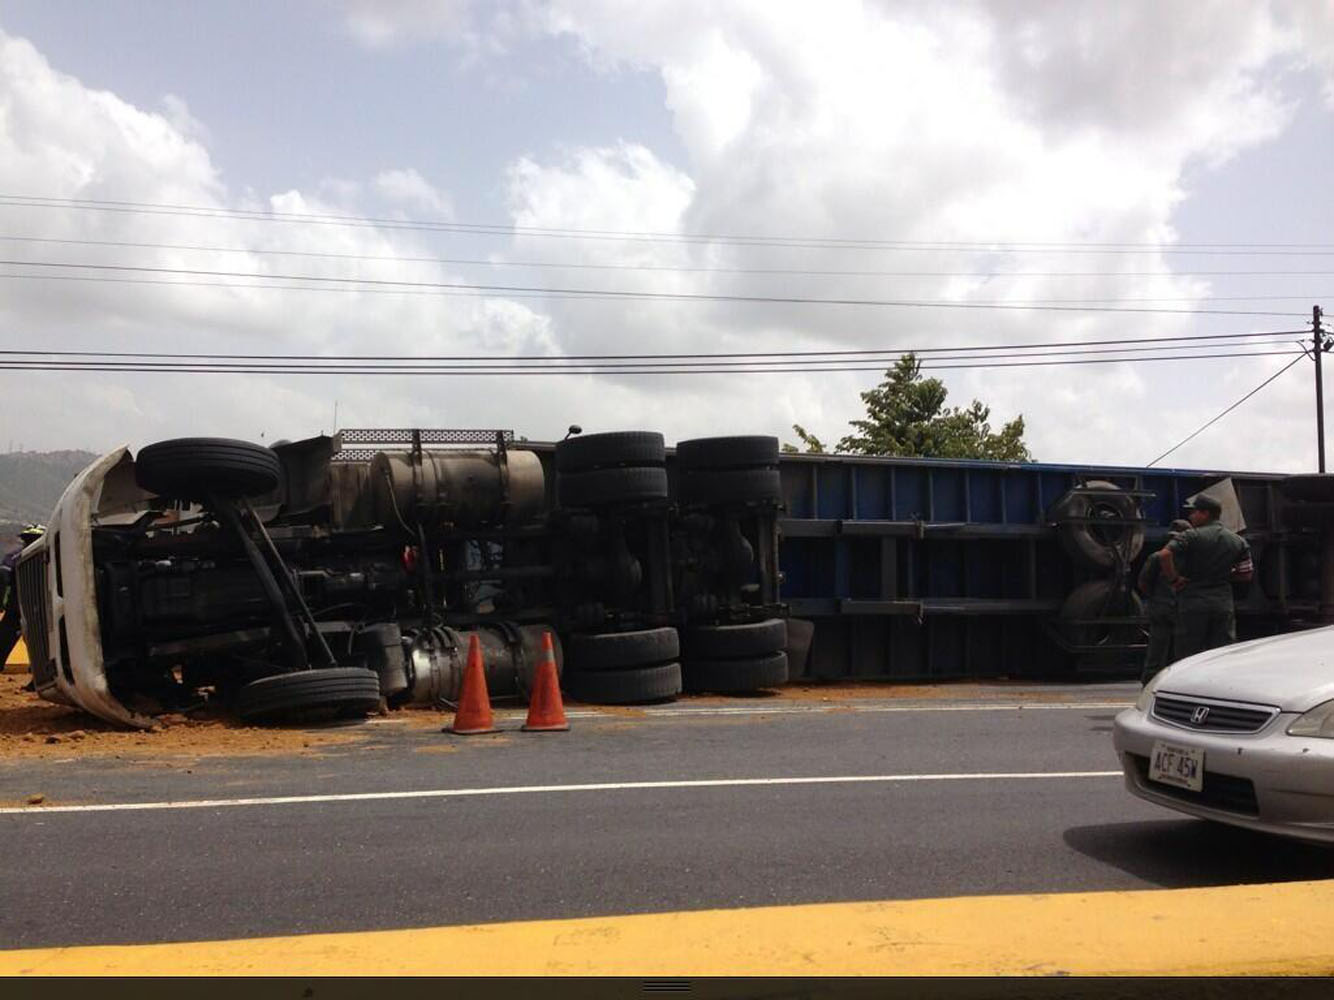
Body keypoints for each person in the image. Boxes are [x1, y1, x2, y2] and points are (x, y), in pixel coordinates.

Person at [1158, 496, 1253, 663]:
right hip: (1222, 603)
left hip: (1193, 602)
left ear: (1205, 513)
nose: (1191, 516)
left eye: (1194, 512)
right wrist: (1225, 576)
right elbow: (1246, 574)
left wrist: (1174, 579)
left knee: (1187, 655)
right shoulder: (1237, 540)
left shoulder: (1190, 536)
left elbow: (1165, 554)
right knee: (1221, 654)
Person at [1137, 519, 1191, 685]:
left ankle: (1149, 687)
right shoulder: (1192, 560)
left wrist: (1156, 597)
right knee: (1183, 655)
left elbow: (1144, 583)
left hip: (1162, 607)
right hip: (1184, 610)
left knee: (1156, 653)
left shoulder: (1157, 557)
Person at [0, 523, 45, 667]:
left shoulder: (13, 556)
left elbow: (3, 577)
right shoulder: (51, 556)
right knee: (40, 641)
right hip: (38, 605)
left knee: (6, 635)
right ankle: (38, 673)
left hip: (17, 604)